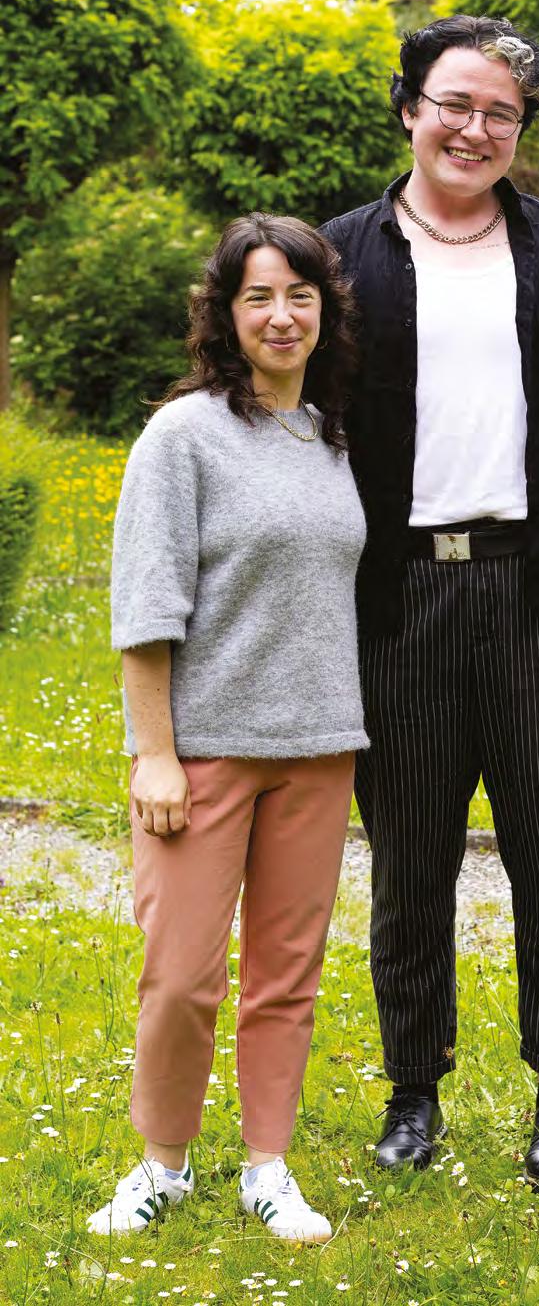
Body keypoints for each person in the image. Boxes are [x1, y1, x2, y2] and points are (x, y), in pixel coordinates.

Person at [319, 14, 539, 1182]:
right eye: (454, 102)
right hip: (396, 597)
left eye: (501, 111)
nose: (475, 127)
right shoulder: (339, 252)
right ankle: (412, 1090)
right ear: (409, 108)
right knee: (408, 859)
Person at [89, 215, 367, 1242]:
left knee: (285, 977)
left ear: (323, 310)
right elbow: (145, 604)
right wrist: (154, 753)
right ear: (225, 312)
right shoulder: (183, 435)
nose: (280, 316)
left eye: (299, 295)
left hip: (318, 746)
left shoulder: (333, 436)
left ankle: (267, 1165)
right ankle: (161, 1163)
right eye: (258, 297)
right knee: (181, 975)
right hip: (202, 751)